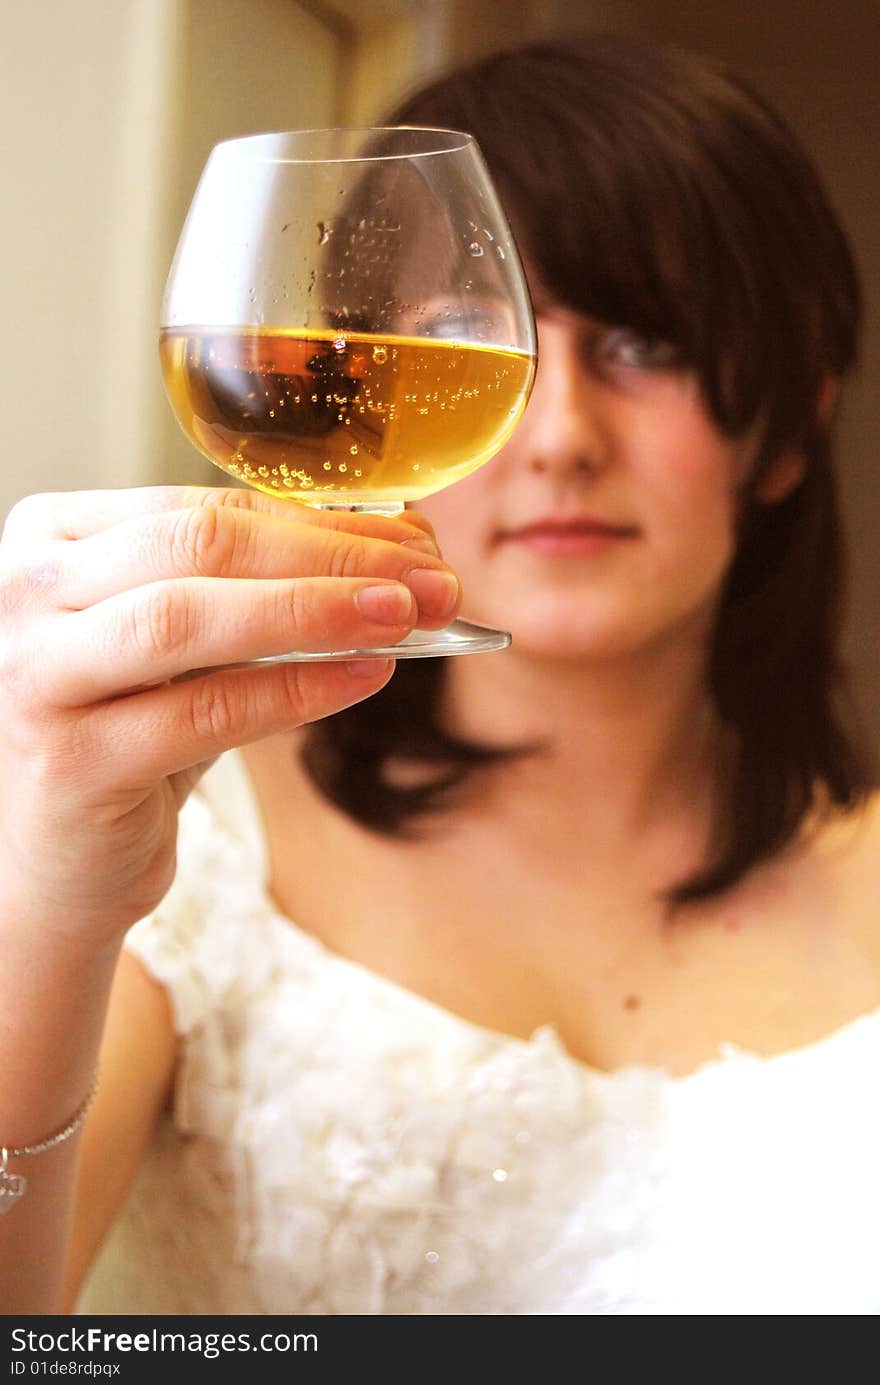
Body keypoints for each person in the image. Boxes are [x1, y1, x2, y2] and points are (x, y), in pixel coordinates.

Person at [1, 32, 877, 1317]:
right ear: (351, 392)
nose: (563, 434)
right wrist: (44, 902)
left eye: (646, 344)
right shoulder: (184, 845)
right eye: (472, 333)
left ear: (792, 425)